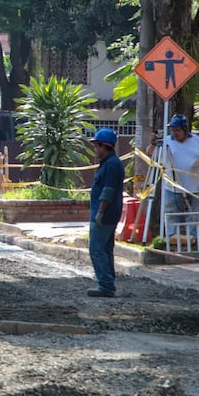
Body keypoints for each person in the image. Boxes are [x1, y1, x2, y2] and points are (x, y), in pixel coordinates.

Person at [155, 114, 199, 245]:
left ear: (185, 129)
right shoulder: (166, 141)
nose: (175, 133)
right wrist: (153, 143)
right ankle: (171, 241)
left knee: (192, 218)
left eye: (178, 130)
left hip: (194, 189)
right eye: (173, 130)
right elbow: (151, 154)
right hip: (173, 188)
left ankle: (192, 241)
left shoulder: (196, 140)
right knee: (172, 216)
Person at [88, 128, 124, 298]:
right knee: (106, 248)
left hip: (105, 214)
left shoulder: (112, 165)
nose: (95, 150)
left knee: (96, 249)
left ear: (105, 146)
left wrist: (100, 212)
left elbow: (108, 191)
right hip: (109, 213)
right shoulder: (109, 163)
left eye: (97, 146)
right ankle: (109, 282)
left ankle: (106, 284)